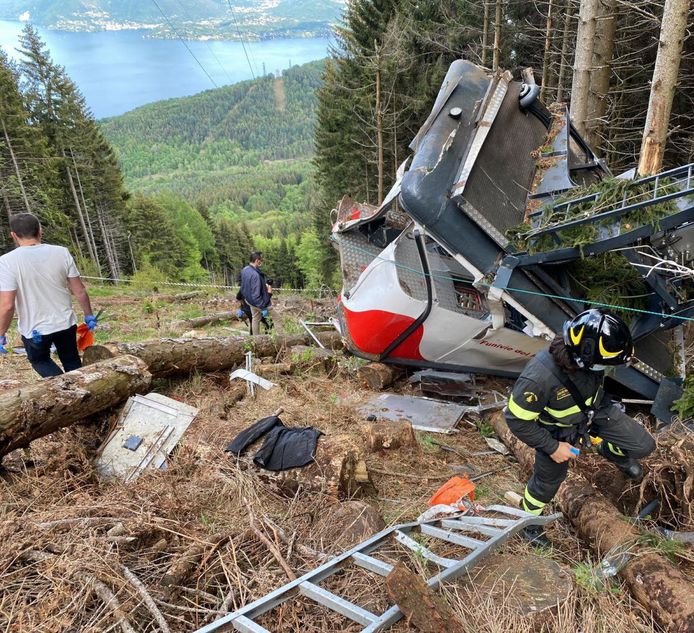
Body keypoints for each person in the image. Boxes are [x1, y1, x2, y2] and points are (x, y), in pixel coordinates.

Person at [505, 309, 656, 546]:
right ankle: (528, 523)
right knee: (546, 484)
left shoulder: (588, 358)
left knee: (643, 445)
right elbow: (516, 420)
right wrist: (552, 447)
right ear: (583, 358)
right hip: (555, 431)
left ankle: (609, 451)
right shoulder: (538, 379)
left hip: (593, 412)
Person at [0, 213, 98, 377]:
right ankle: (80, 389)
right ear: (40, 230)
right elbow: (79, 290)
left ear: (14, 235)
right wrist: (89, 315)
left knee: (40, 360)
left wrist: (1, 333)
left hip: (35, 329)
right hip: (65, 322)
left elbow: (8, 305)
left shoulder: (6, 261)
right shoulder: (62, 252)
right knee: (71, 359)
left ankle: (64, 389)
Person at [239, 251, 272, 335]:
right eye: (261, 260)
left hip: (249, 301)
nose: (261, 262)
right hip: (257, 302)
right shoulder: (255, 275)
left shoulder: (245, 270)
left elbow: (244, 287)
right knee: (277, 319)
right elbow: (256, 294)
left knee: (255, 319)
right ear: (257, 260)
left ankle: (256, 340)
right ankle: (280, 339)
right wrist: (263, 307)